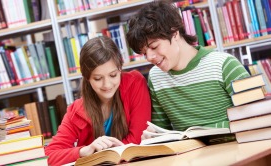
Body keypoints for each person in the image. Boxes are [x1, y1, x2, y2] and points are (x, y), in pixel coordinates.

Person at [126, 0, 250, 140]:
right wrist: (152, 137)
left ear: (174, 33)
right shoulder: (156, 77)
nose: (149, 57)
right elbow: (161, 131)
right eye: (144, 53)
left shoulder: (224, 65)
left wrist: (205, 133)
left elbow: (257, 118)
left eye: (154, 47)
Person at [45, 36, 151, 165]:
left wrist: (102, 154)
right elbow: (49, 156)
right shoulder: (76, 110)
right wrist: (84, 151)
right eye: (98, 78)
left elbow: (138, 139)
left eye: (113, 75)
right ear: (87, 78)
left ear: (120, 69)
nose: (107, 85)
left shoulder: (135, 83)